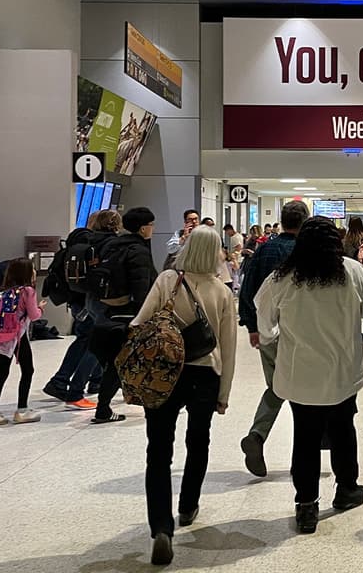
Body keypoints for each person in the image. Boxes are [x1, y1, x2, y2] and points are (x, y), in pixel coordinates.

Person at [254, 217, 363, 535]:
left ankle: (306, 506)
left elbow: (264, 321)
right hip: (343, 372)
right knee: (343, 429)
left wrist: (275, 334)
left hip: (300, 375)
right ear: (336, 241)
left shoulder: (284, 277)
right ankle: (346, 490)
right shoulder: (352, 272)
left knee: (305, 437)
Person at [133, 225, 238, 566]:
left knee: (159, 450)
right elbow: (228, 347)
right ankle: (189, 505)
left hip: (163, 374)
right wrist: (224, 391)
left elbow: (140, 322)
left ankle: (161, 528)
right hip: (204, 373)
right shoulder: (222, 292)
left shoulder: (167, 280)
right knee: (199, 440)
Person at [238, 200, 309, 478]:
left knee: (277, 386)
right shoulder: (306, 251)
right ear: (303, 222)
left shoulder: (264, 249)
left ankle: (257, 435)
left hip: (268, 330)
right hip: (302, 331)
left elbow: (248, 289)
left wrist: (252, 326)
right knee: (307, 391)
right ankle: (309, 451)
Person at [43, 209, 121, 409]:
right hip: (88, 299)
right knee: (91, 342)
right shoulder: (94, 244)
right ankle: (63, 382)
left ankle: (91, 380)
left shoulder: (75, 242)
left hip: (77, 299)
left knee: (86, 340)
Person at [91, 206, 158, 424]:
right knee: (120, 362)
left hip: (109, 310)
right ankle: (103, 408)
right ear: (142, 228)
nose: (153, 229)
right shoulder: (138, 251)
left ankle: (112, 402)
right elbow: (142, 286)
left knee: (116, 361)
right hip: (129, 312)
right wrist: (145, 315)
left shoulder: (114, 244)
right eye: (151, 225)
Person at [0, 259, 46, 427]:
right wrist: (40, 308)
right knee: (28, 370)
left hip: (2, 336)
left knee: (2, 373)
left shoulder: (1, 291)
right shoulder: (28, 291)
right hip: (19, 336)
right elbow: (34, 316)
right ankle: (22, 410)